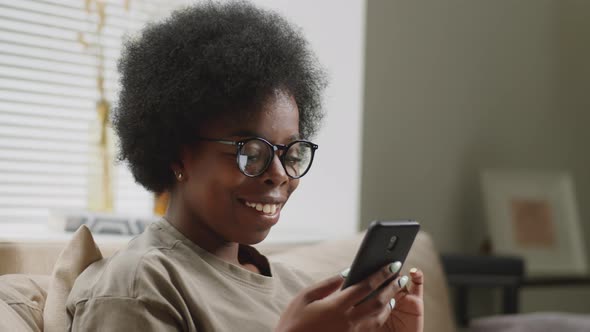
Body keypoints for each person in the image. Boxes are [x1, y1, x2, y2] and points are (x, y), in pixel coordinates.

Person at [66, 2, 424, 331]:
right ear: (178, 154)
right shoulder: (139, 284)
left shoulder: (299, 289)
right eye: (251, 153)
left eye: (291, 153)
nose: (281, 173)